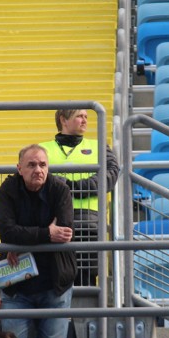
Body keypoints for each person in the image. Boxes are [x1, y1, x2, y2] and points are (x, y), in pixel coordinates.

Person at [0, 144, 75, 338]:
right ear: (19, 168)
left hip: (54, 286)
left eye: (42, 165)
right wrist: (45, 233)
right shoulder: (8, 189)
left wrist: (24, 238)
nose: (38, 170)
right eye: (31, 165)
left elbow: (63, 231)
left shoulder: (60, 189)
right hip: (18, 288)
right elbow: (7, 232)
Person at [40, 108, 120, 286]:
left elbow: (111, 173)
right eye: (79, 116)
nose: (84, 120)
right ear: (63, 120)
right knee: (53, 277)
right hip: (53, 221)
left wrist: (69, 188)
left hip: (88, 222)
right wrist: (73, 188)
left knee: (86, 279)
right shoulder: (42, 149)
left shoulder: (99, 146)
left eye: (86, 116)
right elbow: (39, 177)